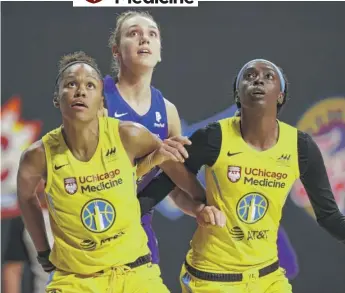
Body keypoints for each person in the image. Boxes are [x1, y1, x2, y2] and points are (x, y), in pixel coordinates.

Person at [138, 59, 345, 292]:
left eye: (269, 76)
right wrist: (128, 213)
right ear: (238, 94)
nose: (258, 79)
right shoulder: (214, 137)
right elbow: (166, 183)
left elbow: (329, 216)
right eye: (249, 76)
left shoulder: (301, 147)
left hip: (268, 277)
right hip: (211, 278)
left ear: (280, 95)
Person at [16, 51, 191, 293]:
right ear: (57, 98)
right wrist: (43, 251)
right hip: (75, 279)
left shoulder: (128, 135)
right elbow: (25, 197)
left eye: (90, 85)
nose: (80, 91)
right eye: (70, 84)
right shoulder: (38, 156)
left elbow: (168, 161)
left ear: (101, 99)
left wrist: (202, 203)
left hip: (134, 272)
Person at [104, 10, 204, 266]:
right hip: (96, 221)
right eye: (133, 33)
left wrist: (199, 210)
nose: (144, 39)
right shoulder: (97, 99)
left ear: (159, 53)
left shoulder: (168, 111)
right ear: (116, 50)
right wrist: (155, 157)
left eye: (151, 34)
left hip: (139, 226)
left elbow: (173, 187)